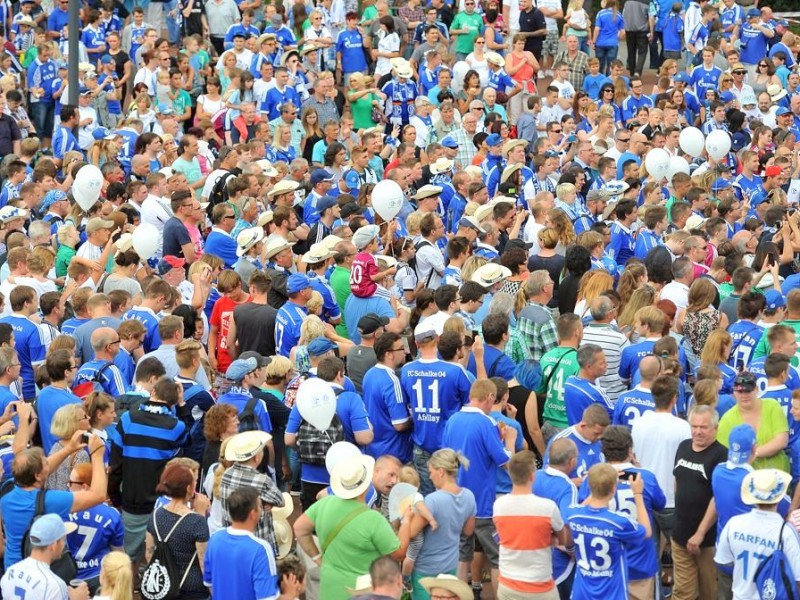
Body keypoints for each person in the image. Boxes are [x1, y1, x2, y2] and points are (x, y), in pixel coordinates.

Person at [293, 454, 411, 600]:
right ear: (366, 484)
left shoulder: (324, 504)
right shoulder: (373, 519)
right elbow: (398, 554)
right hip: (361, 591)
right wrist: (407, 520)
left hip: (329, 587)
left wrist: (317, 558)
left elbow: (299, 528)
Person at [443, 378, 516, 597]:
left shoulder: (453, 420)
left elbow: (445, 456)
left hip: (456, 500)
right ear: (491, 398)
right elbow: (505, 462)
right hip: (482, 504)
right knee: (496, 558)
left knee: (462, 555)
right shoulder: (486, 423)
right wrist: (509, 440)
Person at [566, 462, 651, 599]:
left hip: (581, 593)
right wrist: (638, 494)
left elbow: (580, 507)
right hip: (611, 593)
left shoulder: (574, 514)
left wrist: (598, 485)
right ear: (613, 489)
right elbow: (646, 531)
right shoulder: (619, 522)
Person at [494, 450, 570, 599]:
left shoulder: (498, 505)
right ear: (532, 476)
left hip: (508, 584)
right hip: (540, 588)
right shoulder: (548, 507)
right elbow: (564, 539)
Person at [715, 468, 800, 599]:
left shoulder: (734, 524)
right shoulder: (786, 533)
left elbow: (723, 561)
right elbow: (797, 578)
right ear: (779, 498)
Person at [672, 405, 728, 600]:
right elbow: (677, 481)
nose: (697, 431)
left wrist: (700, 533)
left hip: (707, 541)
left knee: (709, 592)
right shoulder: (683, 446)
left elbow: (717, 497)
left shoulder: (722, 455)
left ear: (715, 428)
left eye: (703, 427)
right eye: (694, 426)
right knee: (682, 592)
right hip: (679, 534)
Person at [203, 487, 280, 600]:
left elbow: (209, 583)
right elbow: (267, 597)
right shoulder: (261, 549)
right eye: (260, 505)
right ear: (253, 514)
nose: (262, 509)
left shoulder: (215, 538)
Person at [0, 514, 89, 600]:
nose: (64, 545)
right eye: (63, 540)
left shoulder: (10, 571)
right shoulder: (53, 585)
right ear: (53, 545)